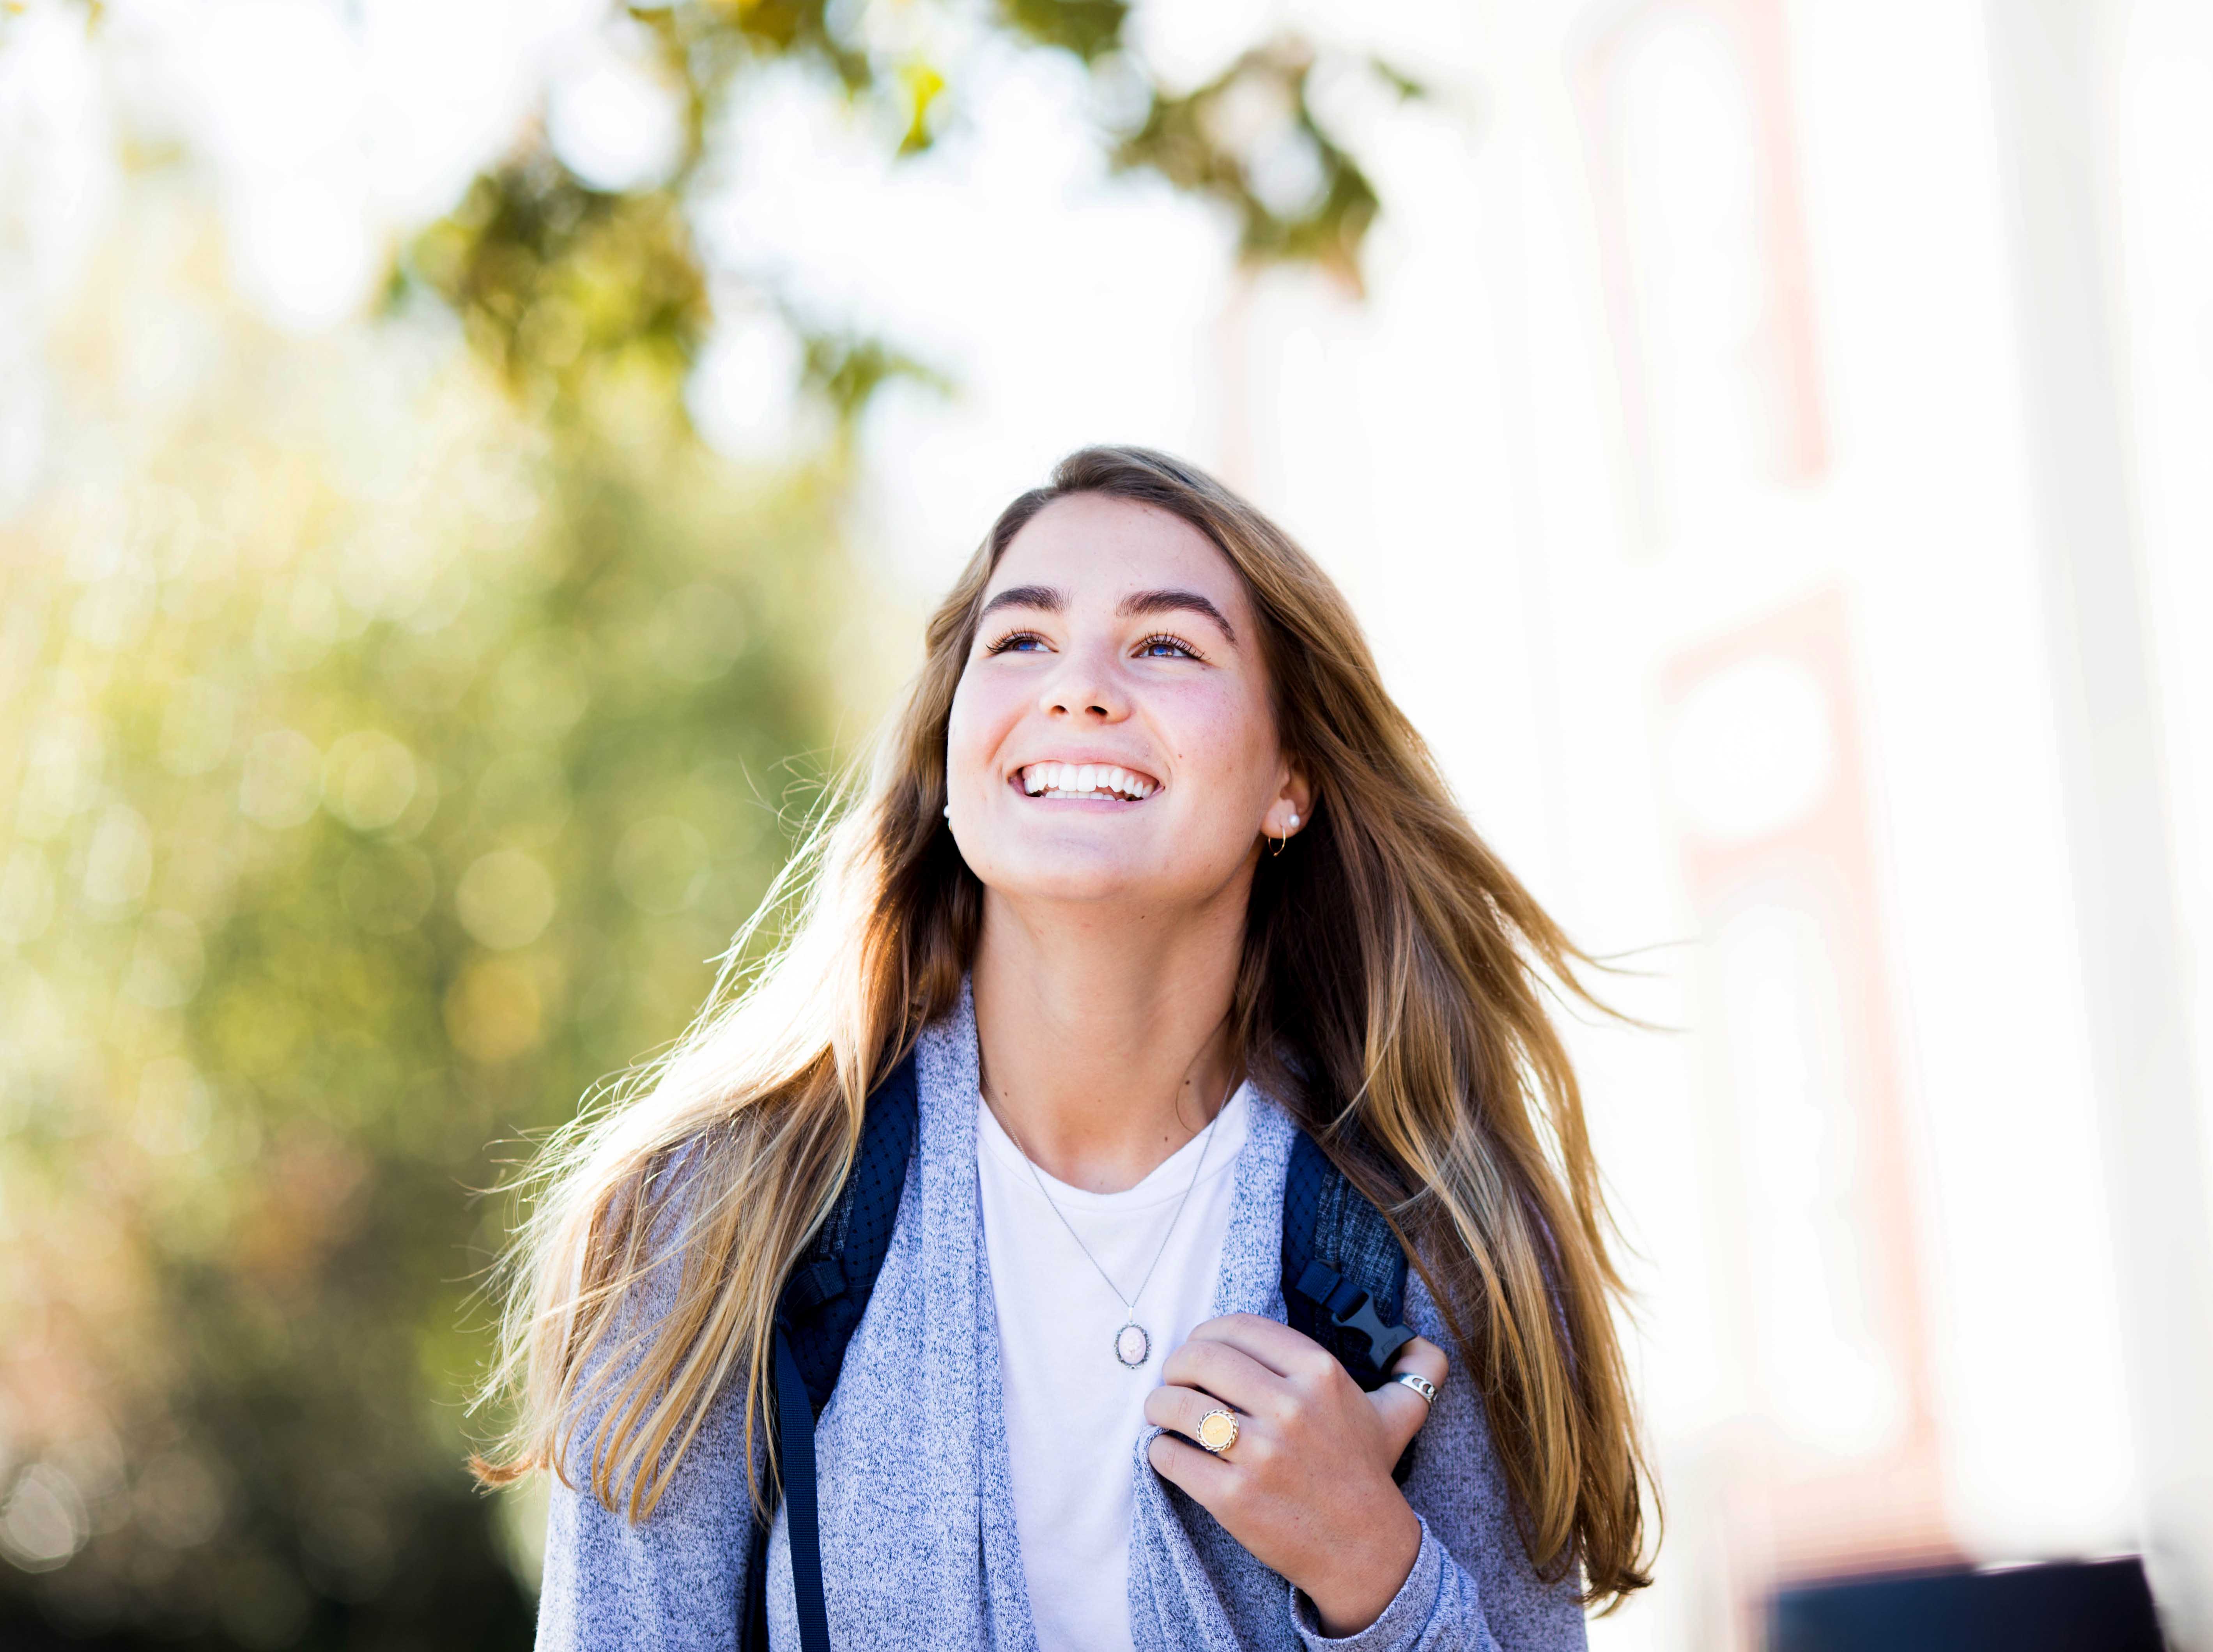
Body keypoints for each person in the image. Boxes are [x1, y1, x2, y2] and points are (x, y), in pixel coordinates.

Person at [473, 446, 1656, 1649]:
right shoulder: (716, 1219)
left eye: (1166, 647)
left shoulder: (1439, 1246)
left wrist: (1373, 1569)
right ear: (951, 751)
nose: (1077, 689)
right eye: (1022, 642)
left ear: (1288, 777)